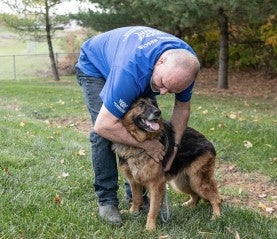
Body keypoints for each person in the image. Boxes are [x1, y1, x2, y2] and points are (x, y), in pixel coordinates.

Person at [75, 26, 200, 226]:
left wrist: (174, 148)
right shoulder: (130, 71)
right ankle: (107, 201)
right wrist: (145, 146)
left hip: (140, 67)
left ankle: (137, 198)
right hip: (95, 67)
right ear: (161, 62)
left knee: (151, 124)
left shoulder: (185, 65)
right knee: (105, 134)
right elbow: (104, 126)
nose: (164, 92)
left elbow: (182, 108)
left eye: (172, 89)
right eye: (163, 84)